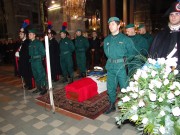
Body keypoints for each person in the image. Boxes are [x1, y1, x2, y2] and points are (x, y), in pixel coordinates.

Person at [103, 17, 137, 114]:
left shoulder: (125, 39)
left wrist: (126, 61)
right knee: (110, 87)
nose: (110, 26)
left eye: (113, 24)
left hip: (121, 66)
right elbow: (106, 52)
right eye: (109, 24)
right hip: (110, 66)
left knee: (124, 87)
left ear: (118, 26)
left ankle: (127, 107)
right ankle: (112, 104)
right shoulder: (107, 39)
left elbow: (132, 52)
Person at [149, 1, 180, 69]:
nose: (173, 17)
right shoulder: (161, 34)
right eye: (171, 14)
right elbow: (152, 55)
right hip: (162, 72)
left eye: (177, 14)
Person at [16, 24, 34, 90]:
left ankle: (30, 85)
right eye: (19, 34)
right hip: (23, 61)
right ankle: (27, 84)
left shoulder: (27, 42)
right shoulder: (22, 42)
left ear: (25, 35)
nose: (19, 35)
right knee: (24, 73)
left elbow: (27, 53)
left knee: (28, 73)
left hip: (27, 61)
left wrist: (19, 54)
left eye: (21, 34)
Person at [28, 29, 47, 95]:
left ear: (34, 35)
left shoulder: (38, 43)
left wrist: (39, 58)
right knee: (35, 75)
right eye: (28, 34)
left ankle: (44, 88)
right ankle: (39, 88)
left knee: (41, 74)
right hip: (32, 61)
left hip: (38, 61)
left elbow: (43, 53)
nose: (29, 35)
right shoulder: (30, 43)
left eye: (30, 34)